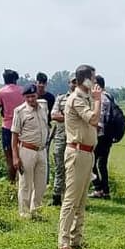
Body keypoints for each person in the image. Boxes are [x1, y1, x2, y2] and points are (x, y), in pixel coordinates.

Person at [58, 65, 102, 249]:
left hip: (87, 153)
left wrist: (95, 99)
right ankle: (63, 244)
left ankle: (76, 239)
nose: (95, 82)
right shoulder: (76, 99)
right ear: (85, 80)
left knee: (81, 200)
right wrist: (98, 100)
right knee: (71, 200)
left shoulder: (86, 98)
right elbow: (93, 119)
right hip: (77, 153)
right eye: (93, 78)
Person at [11, 84, 49, 218]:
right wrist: (15, 157)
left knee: (41, 183)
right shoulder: (20, 111)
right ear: (24, 97)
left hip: (42, 150)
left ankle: (36, 210)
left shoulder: (43, 106)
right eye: (28, 97)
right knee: (26, 183)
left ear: (37, 95)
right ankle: (24, 212)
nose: (31, 99)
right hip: (27, 150)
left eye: (33, 96)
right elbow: (14, 136)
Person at [49, 77, 77, 206]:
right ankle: (56, 196)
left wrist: (64, 115)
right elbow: (54, 115)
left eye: (77, 82)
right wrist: (72, 116)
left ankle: (71, 198)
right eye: (73, 82)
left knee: (74, 169)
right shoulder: (60, 98)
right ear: (69, 83)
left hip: (76, 139)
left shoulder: (84, 99)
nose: (75, 84)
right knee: (59, 167)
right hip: (61, 138)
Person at [0, 69, 24, 183]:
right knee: (23, 155)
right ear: (15, 79)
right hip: (22, 127)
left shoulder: (1, 92)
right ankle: (22, 182)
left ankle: (11, 183)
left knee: (9, 158)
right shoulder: (22, 90)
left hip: (7, 126)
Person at [89, 75, 113, 199]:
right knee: (102, 164)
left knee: (91, 162)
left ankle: (98, 188)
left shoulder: (101, 98)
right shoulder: (110, 97)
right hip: (108, 136)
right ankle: (106, 190)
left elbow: (99, 120)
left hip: (100, 135)